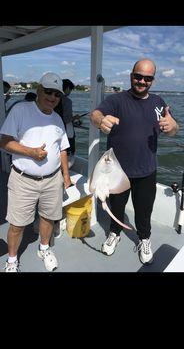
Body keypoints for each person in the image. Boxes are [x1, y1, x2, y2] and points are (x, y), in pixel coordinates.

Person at [90, 58, 179, 264]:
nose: (142, 81)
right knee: (116, 207)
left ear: (152, 81)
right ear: (131, 76)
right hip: (117, 171)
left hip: (147, 171)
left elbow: (173, 129)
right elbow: (96, 114)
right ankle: (114, 234)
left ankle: (144, 239)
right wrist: (100, 121)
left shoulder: (159, 103)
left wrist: (173, 126)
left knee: (144, 211)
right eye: (138, 76)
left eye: (147, 78)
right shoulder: (117, 100)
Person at [0, 72, 72, 272]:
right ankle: (12, 260)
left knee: (48, 217)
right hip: (23, 180)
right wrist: (31, 152)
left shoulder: (57, 119)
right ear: (39, 90)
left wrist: (65, 176)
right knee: (17, 224)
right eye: (48, 92)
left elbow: (63, 149)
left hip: (52, 180)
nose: (52, 97)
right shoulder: (21, 110)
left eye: (57, 94)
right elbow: (4, 141)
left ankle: (44, 248)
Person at [55, 79, 80, 168]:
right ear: (67, 88)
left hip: (55, 130)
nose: (70, 92)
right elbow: (67, 119)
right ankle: (65, 174)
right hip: (66, 131)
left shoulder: (53, 100)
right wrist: (75, 118)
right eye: (70, 89)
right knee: (68, 153)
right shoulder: (67, 101)